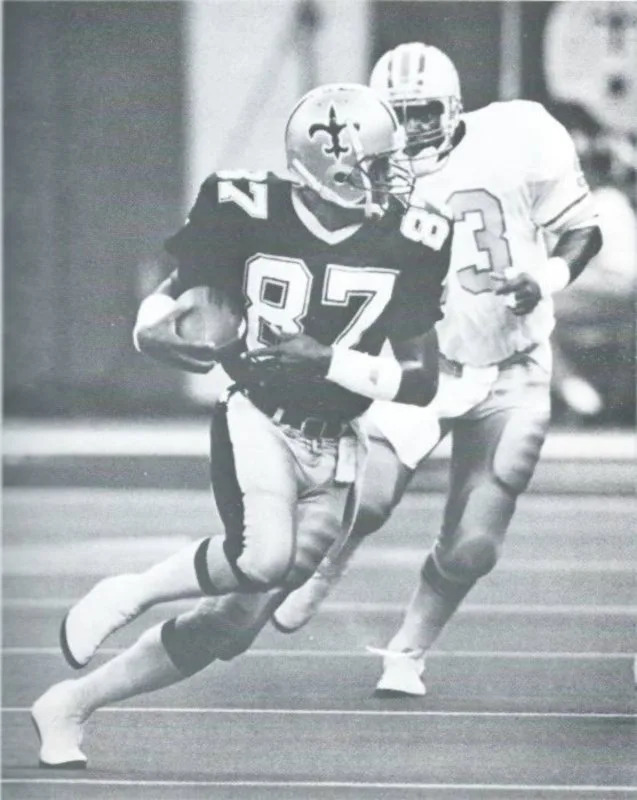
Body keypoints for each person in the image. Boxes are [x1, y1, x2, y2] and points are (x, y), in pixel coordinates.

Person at [31, 82, 452, 767]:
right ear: (330, 164)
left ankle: (69, 706)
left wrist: (330, 360)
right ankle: (131, 590)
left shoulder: (411, 235)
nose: (388, 176)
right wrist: (153, 331)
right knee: (260, 557)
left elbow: (422, 377)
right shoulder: (244, 206)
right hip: (258, 413)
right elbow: (170, 301)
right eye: (373, 164)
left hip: (338, 445)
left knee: (229, 626)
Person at [271, 42, 603, 697]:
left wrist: (545, 276)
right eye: (395, 115)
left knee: (472, 546)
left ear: (452, 107)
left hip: (514, 363)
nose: (410, 127)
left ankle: (407, 651)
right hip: (421, 360)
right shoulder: (358, 174)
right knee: (367, 498)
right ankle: (328, 563)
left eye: (421, 111)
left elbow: (582, 229)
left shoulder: (519, 133)